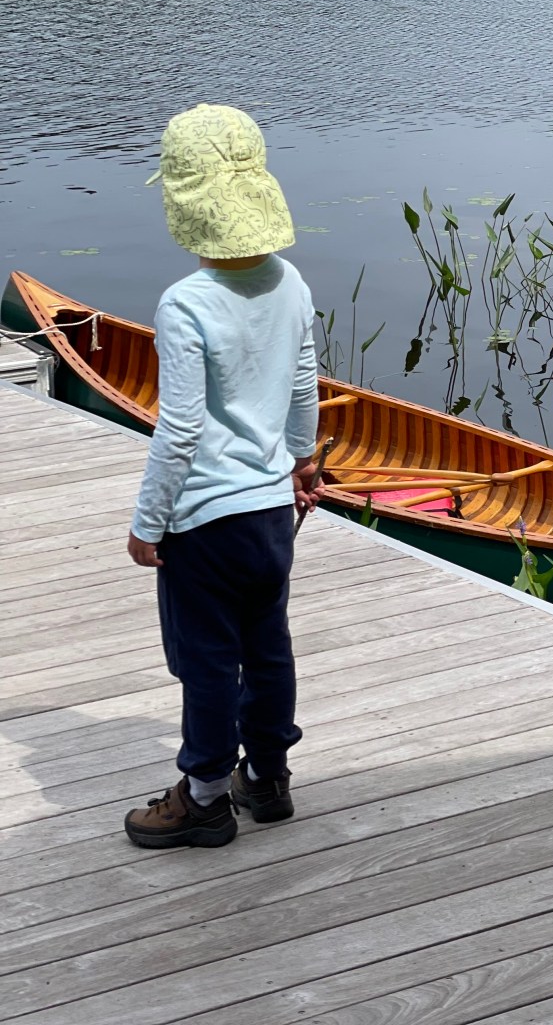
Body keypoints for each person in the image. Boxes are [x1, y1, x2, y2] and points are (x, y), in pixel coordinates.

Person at [122, 103, 322, 849]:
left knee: (206, 662)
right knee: (267, 647)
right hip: (271, 515)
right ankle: (266, 781)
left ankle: (203, 796)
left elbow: (178, 429)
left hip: (203, 522)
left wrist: (147, 523)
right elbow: (304, 382)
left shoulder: (185, 304)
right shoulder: (290, 281)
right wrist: (303, 461)